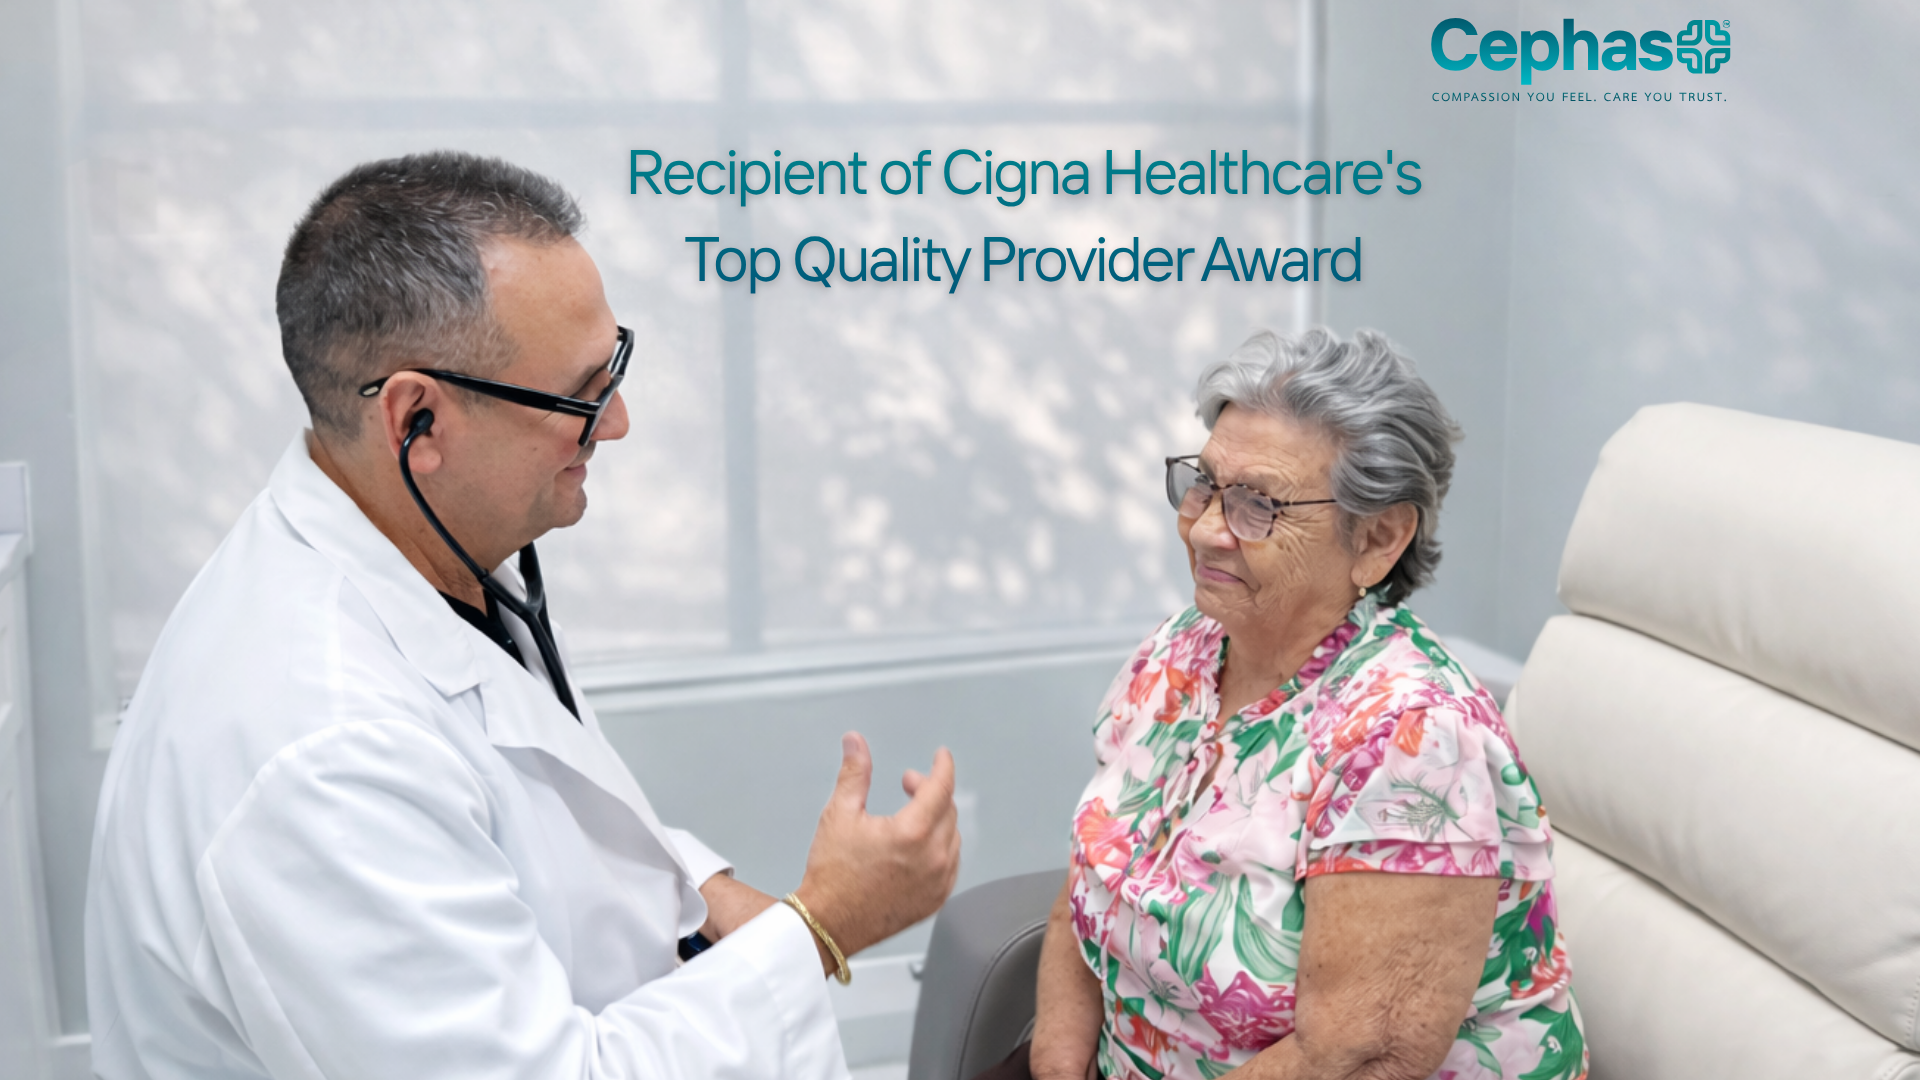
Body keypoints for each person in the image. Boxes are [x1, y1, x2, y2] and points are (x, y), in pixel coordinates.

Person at [83, 151, 961, 1080]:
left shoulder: (424, 556)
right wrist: (822, 925)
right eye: (581, 395)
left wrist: (698, 895)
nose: (617, 421)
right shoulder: (321, 754)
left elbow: (527, 821)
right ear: (416, 421)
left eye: (612, 367)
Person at [1012, 329, 1586, 1080]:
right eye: (1204, 484)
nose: (1207, 529)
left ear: (1378, 539)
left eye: (1259, 505)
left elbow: (1352, 1057)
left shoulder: (1412, 742)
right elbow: (1085, 889)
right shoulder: (1181, 649)